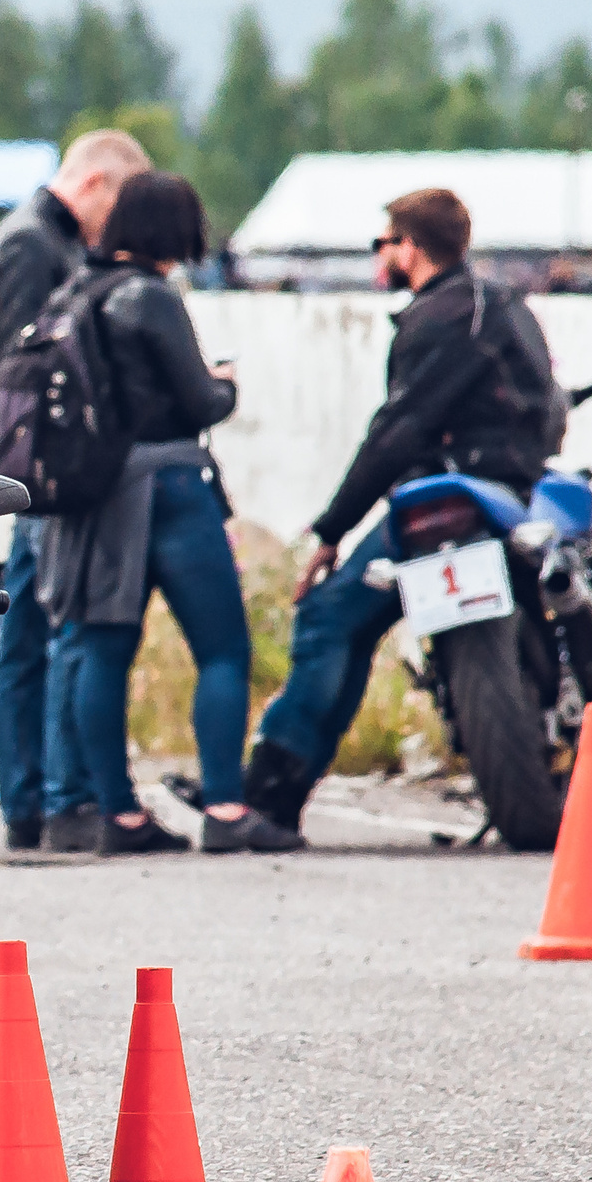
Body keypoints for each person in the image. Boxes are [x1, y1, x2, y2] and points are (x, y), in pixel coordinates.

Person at [242, 188, 561, 833]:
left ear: (410, 249)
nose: (378, 257)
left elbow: (398, 432)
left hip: (442, 500)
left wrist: (331, 530)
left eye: (382, 243)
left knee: (330, 622)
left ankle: (271, 793)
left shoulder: (434, 318)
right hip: (513, 495)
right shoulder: (507, 305)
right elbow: (551, 405)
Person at [34, 174, 300, 855]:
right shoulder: (151, 298)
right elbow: (200, 401)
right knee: (222, 649)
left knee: (102, 649)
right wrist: (226, 384)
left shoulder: (74, 293)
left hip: (98, 497)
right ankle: (225, 808)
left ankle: (119, 816)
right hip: (171, 489)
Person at [0, 130, 151, 852]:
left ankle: (36, 800)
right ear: (97, 182)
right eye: (122, 204)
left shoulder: (36, 239)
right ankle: (43, 799)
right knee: (38, 637)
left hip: (39, 473)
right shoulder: (33, 248)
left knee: (31, 631)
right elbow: (30, 370)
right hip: (47, 475)